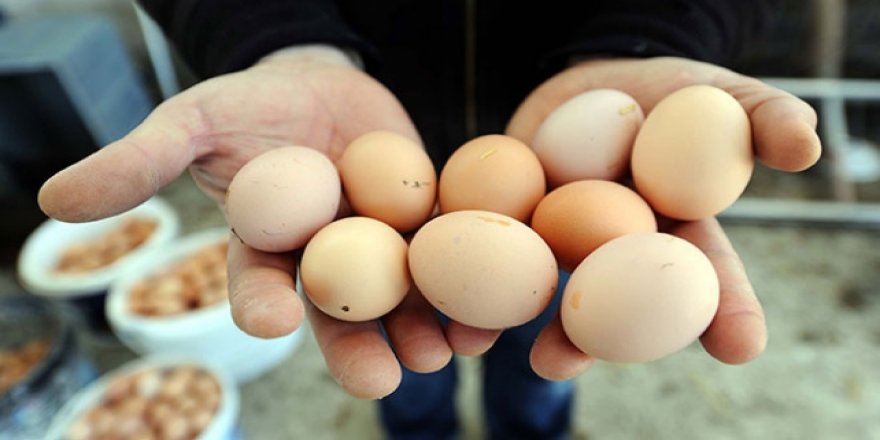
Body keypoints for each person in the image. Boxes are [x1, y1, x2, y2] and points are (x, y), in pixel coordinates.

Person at [38, 1, 822, 439]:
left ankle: (529, 432)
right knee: (408, 360)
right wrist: (279, 41)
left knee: (542, 345)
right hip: (367, 152)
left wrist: (658, 33)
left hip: (562, 200)